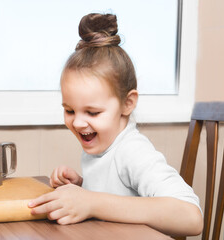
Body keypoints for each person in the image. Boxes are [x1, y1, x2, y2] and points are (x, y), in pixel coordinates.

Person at [28, 13, 203, 237]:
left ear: (127, 103)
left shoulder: (132, 151)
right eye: (69, 110)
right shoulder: (102, 145)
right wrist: (81, 188)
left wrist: (91, 201)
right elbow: (119, 198)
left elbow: (192, 217)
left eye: (93, 112)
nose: (78, 122)